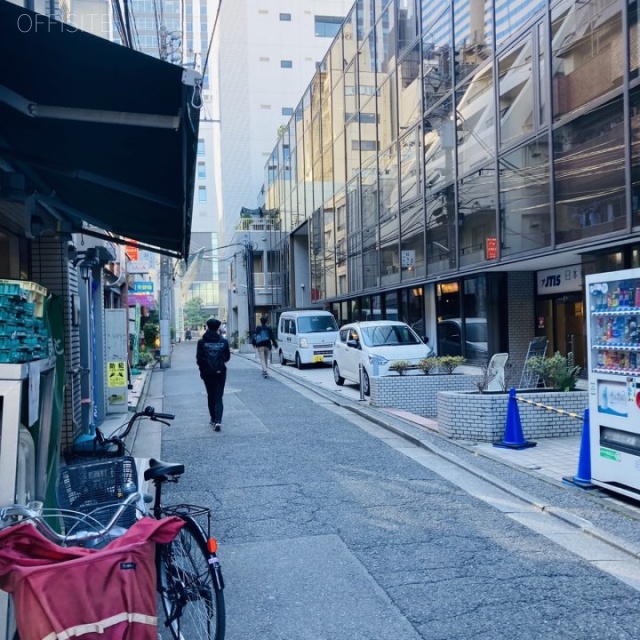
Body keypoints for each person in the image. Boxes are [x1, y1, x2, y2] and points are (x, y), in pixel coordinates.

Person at [196, 318, 231, 431]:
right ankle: (218, 421)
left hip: (207, 373)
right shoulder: (223, 341)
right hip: (220, 372)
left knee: (210, 395)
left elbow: (199, 359)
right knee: (219, 396)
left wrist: (203, 369)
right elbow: (227, 357)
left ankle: (213, 418)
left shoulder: (202, 342)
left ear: (208, 327)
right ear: (218, 328)